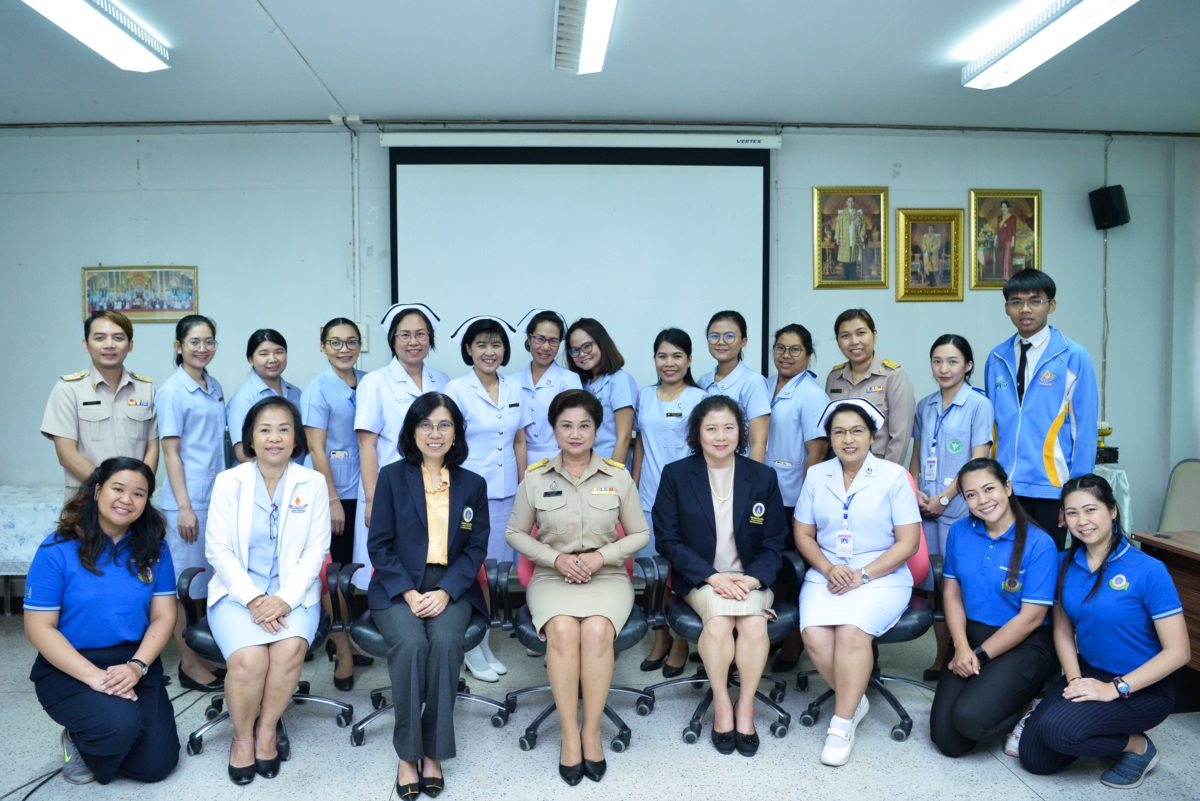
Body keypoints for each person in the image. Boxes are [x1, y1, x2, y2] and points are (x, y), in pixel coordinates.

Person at [506, 389, 649, 785]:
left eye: (584, 425)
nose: (575, 433)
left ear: (596, 430)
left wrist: (601, 557)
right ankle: (570, 736)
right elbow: (514, 532)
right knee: (565, 630)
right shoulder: (535, 478)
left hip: (606, 576)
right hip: (553, 576)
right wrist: (556, 559)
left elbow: (640, 533)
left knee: (598, 630)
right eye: (566, 425)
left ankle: (591, 732)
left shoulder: (617, 476)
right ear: (554, 430)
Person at [1018, 474, 1190, 789]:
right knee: (1034, 758)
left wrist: (1113, 689)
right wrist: (1074, 681)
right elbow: (1062, 632)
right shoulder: (1063, 564)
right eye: (1072, 513)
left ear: (1112, 510)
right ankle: (1090, 728)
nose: (1082, 521)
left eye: (1090, 510)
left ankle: (1138, 746)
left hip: (1142, 687)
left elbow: (1179, 652)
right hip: (1089, 672)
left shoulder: (1148, 570)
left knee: (1059, 731)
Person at [24, 457, 179, 786]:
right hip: (70, 663)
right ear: (97, 491)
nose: (127, 499)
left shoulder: (154, 548)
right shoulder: (57, 549)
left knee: (155, 766)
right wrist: (94, 677)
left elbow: (164, 615)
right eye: (118, 489)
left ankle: (114, 731)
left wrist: (137, 666)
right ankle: (76, 737)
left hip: (133, 660)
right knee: (119, 724)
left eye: (139, 493)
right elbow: (38, 628)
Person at [367, 393, 489, 800]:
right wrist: (407, 590)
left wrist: (446, 590)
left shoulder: (472, 484)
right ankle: (408, 754)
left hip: (452, 582)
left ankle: (433, 751)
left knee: (446, 642)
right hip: (397, 583)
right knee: (411, 643)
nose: (434, 433)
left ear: (456, 433)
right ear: (412, 431)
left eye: (444, 425)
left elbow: (475, 548)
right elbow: (379, 544)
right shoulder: (391, 477)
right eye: (425, 424)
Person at [205, 397, 330, 785]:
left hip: (295, 594)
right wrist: (255, 598)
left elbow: (316, 550)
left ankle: (266, 732)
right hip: (237, 594)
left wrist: (283, 599)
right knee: (249, 660)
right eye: (265, 430)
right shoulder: (229, 482)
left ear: (296, 439)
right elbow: (217, 549)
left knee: (288, 650)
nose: (274, 438)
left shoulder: (313, 482)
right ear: (250, 439)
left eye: (283, 429)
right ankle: (242, 739)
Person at [653, 395, 787, 757]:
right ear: (697, 433)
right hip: (702, 579)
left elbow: (775, 539)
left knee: (754, 626)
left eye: (728, 428)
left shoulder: (762, 476)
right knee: (719, 623)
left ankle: (746, 705)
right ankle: (722, 704)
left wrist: (754, 578)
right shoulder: (676, 475)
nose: (720, 436)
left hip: (750, 577)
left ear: (740, 432)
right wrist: (712, 577)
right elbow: (668, 540)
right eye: (711, 428)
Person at [793, 398, 921, 767]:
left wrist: (863, 575)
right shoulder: (817, 475)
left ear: (871, 435)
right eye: (839, 432)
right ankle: (856, 698)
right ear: (830, 438)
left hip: (881, 574)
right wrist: (828, 567)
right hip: (828, 571)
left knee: (851, 632)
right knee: (814, 634)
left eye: (856, 431)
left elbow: (908, 542)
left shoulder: (893, 476)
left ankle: (841, 722)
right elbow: (803, 534)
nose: (848, 439)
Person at [928, 458, 1058, 758]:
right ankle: (995, 695)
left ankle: (1029, 710)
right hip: (969, 638)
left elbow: (1031, 618)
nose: (982, 500)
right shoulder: (960, 531)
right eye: (971, 495)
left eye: (989, 489)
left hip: (1020, 644)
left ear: (1007, 487)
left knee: (971, 719)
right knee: (947, 741)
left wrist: (980, 656)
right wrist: (961, 647)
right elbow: (952, 593)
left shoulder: (1040, 544)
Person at [984, 269, 1098, 548]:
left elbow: (1084, 430)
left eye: (1035, 301)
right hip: (1005, 487)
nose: (1025, 309)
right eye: (1016, 302)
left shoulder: (1073, 357)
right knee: (1006, 562)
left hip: (1052, 488)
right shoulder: (996, 358)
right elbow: (990, 428)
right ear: (1006, 308)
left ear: (1051, 305)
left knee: (1046, 563)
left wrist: (1075, 495)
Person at [445, 314, 530, 681]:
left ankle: (485, 640)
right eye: (481, 345)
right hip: (469, 494)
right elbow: (447, 442)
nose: (489, 352)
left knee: (497, 572)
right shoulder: (456, 390)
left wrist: (525, 486)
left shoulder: (514, 388)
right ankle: (472, 646)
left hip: (508, 492)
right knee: (473, 569)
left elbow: (519, 440)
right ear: (468, 350)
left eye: (496, 345)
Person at [907, 334, 994, 677]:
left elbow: (978, 464)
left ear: (968, 365)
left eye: (953, 361)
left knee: (956, 585)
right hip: (924, 508)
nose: (944, 368)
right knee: (933, 586)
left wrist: (944, 498)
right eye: (937, 361)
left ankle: (963, 654)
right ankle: (941, 658)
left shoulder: (978, 404)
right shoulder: (925, 405)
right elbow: (916, 455)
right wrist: (914, 490)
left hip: (958, 511)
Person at [354, 303, 451, 585]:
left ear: (430, 338)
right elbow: (366, 446)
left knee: (429, 566)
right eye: (405, 335)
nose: (413, 342)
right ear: (393, 340)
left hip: (434, 487)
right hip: (390, 489)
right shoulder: (375, 382)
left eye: (420, 334)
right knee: (389, 571)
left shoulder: (442, 380)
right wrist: (372, 500)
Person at [630, 328, 706, 676]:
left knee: (681, 573)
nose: (669, 363)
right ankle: (660, 636)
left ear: (689, 360)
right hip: (648, 495)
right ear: (655, 359)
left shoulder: (699, 399)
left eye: (677, 356)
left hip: (688, 500)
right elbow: (641, 445)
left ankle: (680, 641)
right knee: (654, 574)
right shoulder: (644, 396)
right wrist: (632, 489)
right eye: (662, 356)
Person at [157, 314, 227, 692]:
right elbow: (171, 452)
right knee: (183, 586)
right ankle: (188, 662)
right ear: (178, 346)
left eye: (209, 341)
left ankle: (201, 654)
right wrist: (184, 507)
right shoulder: (172, 391)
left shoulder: (212, 385)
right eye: (194, 342)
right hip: (188, 502)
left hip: (215, 496)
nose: (203, 348)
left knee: (204, 581)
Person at [301, 317, 369, 691]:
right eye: (336, 342)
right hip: (334, 490)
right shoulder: (317, 390)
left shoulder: (369, 381)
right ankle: (342, 651)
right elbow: (316, 449)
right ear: (323, 346)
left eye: (352, 341)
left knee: (355, 571)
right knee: (335, 576)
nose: (345, 349)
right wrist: (332, 500)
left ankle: (349, 640)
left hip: (365, 486)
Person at [762, 323, 829, 672]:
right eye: (780, 348)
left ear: (808, 354)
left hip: (792, 497)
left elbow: (817, 453)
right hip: (765, 493)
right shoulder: (765, 385)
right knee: (769, 567)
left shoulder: (811, 394)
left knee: (792, 570)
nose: (786, 355)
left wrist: (804, 506)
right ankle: (771, 635)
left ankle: (793, 642)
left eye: (795, 349)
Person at [41, 310, 158, 499]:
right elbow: (66, 455)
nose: (109, 345)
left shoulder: (146, 389)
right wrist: (112, 490)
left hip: (133, 502)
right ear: (86, 345)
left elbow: (152, 448)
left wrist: (136, 490)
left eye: (118, 338)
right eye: (100, 338)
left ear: (130, 345)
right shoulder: (68, 389)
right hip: (85, 500)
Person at [824, 308, 915, 465]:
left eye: (861, 333)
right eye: (845, 336)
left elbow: (900, 437)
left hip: (877, 466)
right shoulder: (834, 377)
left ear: (874, 335)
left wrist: (887, 475)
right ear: (838, 341)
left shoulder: (893, 376)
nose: (854, 341)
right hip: (838, 466)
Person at [697, 310, 770, 462]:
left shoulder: (753, 382)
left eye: (729, 336)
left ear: (744, 341)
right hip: (705, 468)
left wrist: (753, 477)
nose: (720, 342)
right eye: (714, 336)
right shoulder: (703, 382)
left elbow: (758, 443)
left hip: (739, 470)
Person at [565, 318, 638, 465]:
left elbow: (624, 438)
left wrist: (613, 474)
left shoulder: (619, 380)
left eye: (587, 346)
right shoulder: (581, 383)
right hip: (583, 465)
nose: (582, 354)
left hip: (610, 464)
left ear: (601, 343)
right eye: (575, 350)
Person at [515, 309, 583, 465]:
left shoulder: (569, 380)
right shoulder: (512, 382)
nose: (546, 347)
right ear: (529, 338)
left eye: (553, 341)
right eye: (540, 339)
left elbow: (575, 426)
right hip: (519, 459)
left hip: (561, 459)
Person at [226, 329, 303, 463]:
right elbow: (243, 453)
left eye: (279, 352)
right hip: (259, 474)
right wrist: (278, 470)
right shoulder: (243, 398)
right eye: (264, 354)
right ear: (251, 359)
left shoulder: (296, 393)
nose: (273, 359)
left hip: (294, 472)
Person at [834, 195, 867, 280]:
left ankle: (853, 278)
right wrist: (837, 238)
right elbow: (838, 226)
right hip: (845, 239)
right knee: (845, 259)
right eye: (849, 201)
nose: (850, 203)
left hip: (855, 239)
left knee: (853, 259)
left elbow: (863, 225)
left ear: (854, 202)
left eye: (852, 201)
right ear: (846, 202)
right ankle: (845, 278)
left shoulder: (858, 214)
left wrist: (862, 235)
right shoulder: (842, 213)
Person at [995, 200, 1017, 279]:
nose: (1003, 209)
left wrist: (1013, 241)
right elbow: (997, 230)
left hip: (1009, 241)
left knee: (1007, 259)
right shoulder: (999, 218)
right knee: (1000, 258)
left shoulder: (1012, 218)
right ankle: (1002, 276)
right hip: (1001, 241)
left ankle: (1007, 277)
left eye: (1005, 207)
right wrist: (995, 239)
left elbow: (1014, 230)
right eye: (1002, 207)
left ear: (1008, 208)